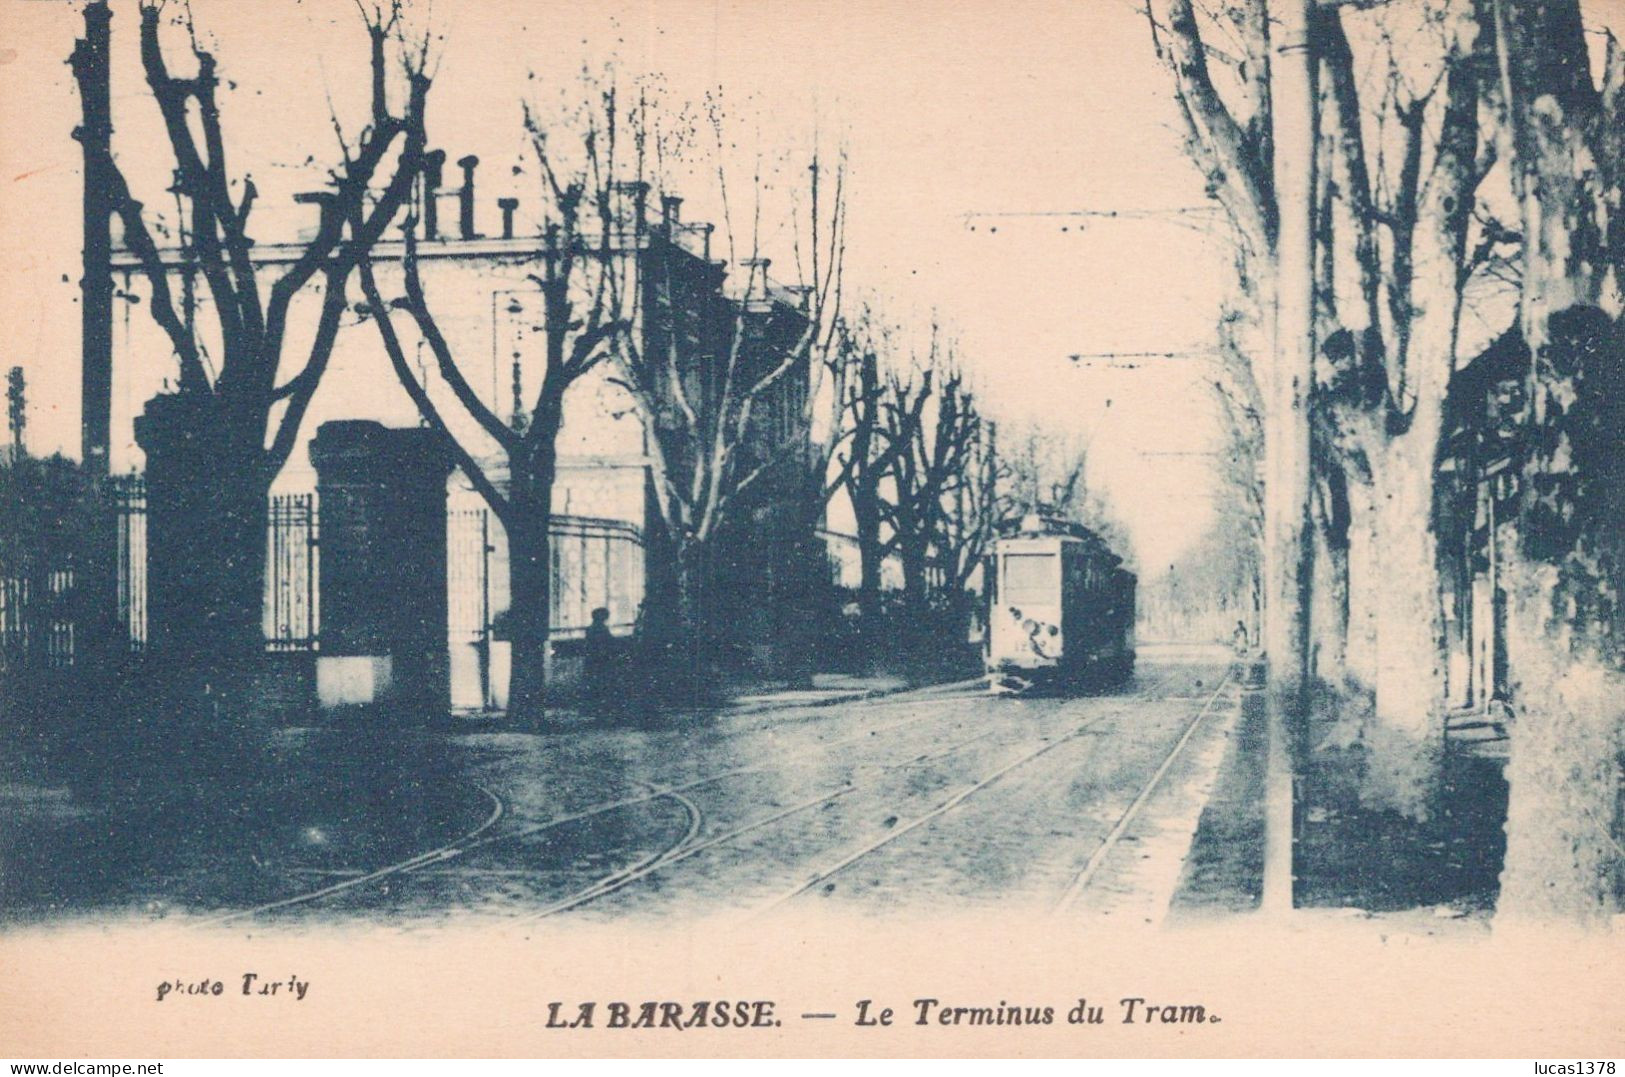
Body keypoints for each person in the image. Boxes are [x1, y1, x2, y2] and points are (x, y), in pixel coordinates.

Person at [583, 607, 616, 714]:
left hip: (592, 661)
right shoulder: (601, 629)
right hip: (600, 661)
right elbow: (607, 644)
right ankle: (602, 711)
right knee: (602, 687)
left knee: (594, 687)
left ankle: (596, 711)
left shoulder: (589, 629)